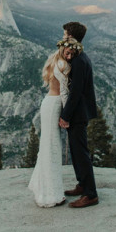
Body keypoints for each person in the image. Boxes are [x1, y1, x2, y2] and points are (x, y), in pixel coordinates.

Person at [28, 37, 83, 207]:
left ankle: (45, 190)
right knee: (52, 147)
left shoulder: (54, 61)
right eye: (67, 52)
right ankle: (51, 195)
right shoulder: (64, 66)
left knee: (48, 145)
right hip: (54, 106)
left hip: (48, 103)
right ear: (62, 50)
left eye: (72, 54)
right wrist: (67, 116)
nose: (69, 56)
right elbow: (65, 92)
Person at [59, 21, 99, 208]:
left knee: (81, 153)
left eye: (65, 34)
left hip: (78, 113)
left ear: (71, 37)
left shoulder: (79, 61)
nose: (64, 37)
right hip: (78, 112)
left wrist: (65, 115)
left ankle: (91, 194)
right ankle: (82, 185)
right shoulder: (79, 57)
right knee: (76, 151)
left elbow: (75, 92)